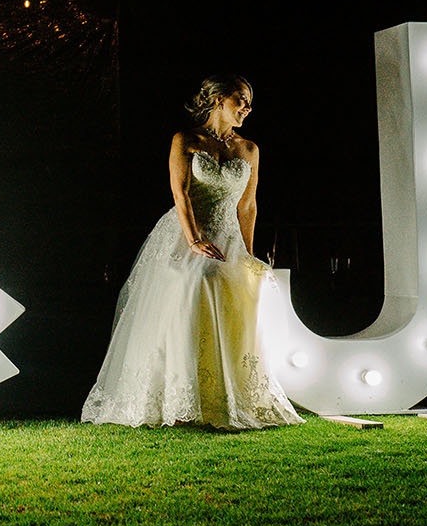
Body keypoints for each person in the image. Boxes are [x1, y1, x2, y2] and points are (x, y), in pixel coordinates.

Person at [81, 75, 303, 430]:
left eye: (249, 102)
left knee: (243, 294)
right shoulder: (185, 140)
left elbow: (248, 206)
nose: (247, 108)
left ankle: (229, 394)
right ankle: (180, 397)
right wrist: (192, 239)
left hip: (229, 236)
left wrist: (246, 253)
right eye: (240, 100)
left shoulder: (249, 149)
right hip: (187, 234)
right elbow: (180, 194)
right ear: (217, 100)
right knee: (198, 281)